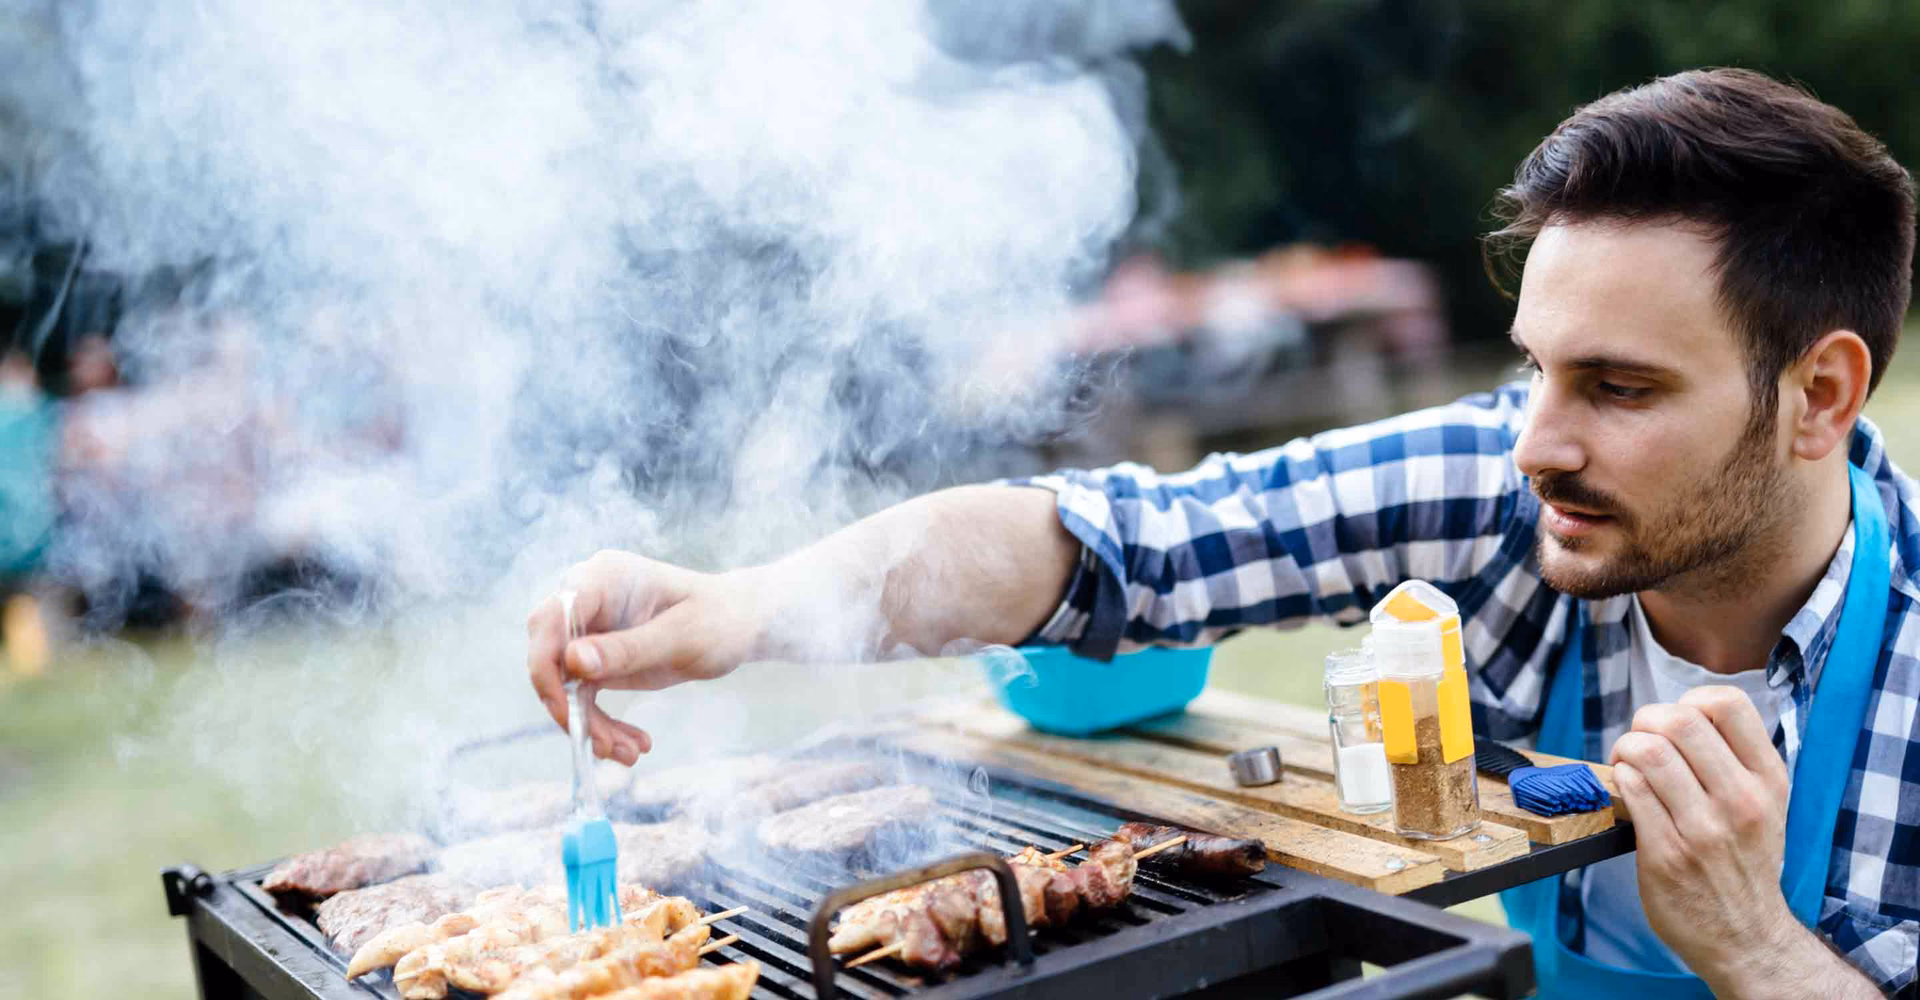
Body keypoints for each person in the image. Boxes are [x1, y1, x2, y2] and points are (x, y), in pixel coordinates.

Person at [526, 69, 1919, 996]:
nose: (1536, 438)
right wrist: (743, 606)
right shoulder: (1525, 479)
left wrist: (1753, 948)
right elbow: (1119, 542)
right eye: (1535, 366)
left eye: (1618, 388)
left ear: (1819, 394)